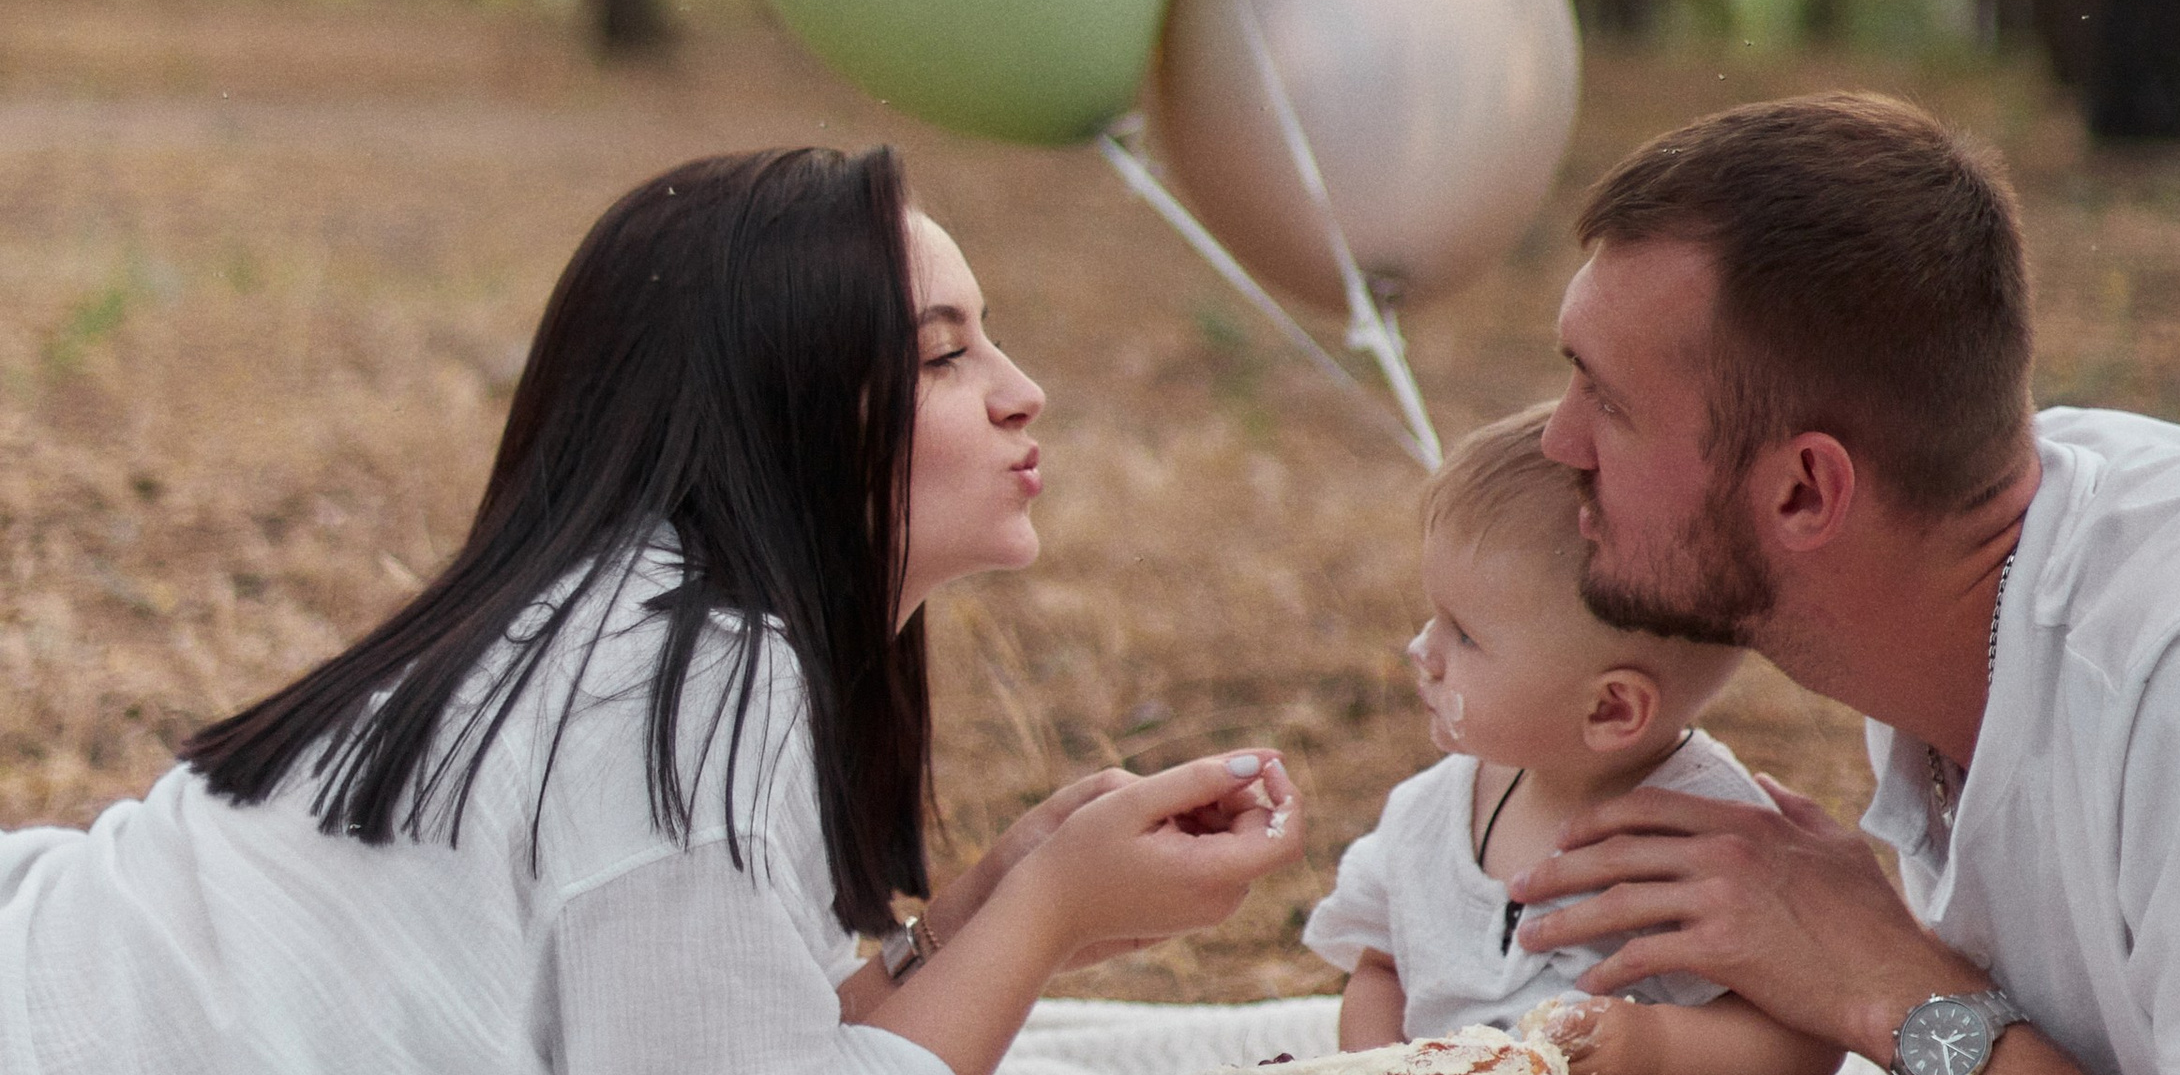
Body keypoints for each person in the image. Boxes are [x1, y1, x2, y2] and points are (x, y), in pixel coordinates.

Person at [0, 145, 1305, 1075]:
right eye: (945, 353)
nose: (1023, 393)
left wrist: (979, 911)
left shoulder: (639, 636)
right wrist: (1048, 915)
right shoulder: (680, 682)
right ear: (781, 413)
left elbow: (716, 1044)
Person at [1506, 93, 2180, 1075]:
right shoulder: (1949, 600)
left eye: (1609, 402)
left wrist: (1892, 986)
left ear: (1803, 491)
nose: (1560, 440)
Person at [1306, 404, 1837, 1075]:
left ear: (1611, 708)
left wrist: (1657, 1048)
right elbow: (1382, 968)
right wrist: (1377, 1062)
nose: (1422, 650)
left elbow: (1804, 1036)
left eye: (1464, 634)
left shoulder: (1708, 842)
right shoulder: (1428, 815)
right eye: (1432, 616)